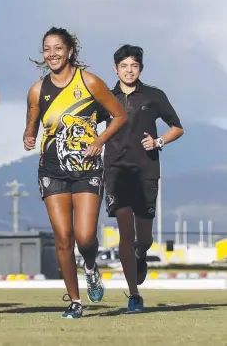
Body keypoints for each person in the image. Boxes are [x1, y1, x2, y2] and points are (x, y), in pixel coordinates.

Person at [23, 27, 127, 319]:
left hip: (87, 170)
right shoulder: (36, 90)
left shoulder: (90, 82)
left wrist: (99, 141)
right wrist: (28, 137)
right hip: (52, 170)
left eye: (58, 48)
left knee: (84, 238)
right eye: (47, 49)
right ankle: (75, 301)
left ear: (69, 51)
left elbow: (119, 116)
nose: (52, 54)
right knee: (64, 237)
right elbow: (30, 129)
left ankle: (91, 267)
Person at [101, 45, 183, 312]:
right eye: (123, 66)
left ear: (140, 68)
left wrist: (158, 141)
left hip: (146, 171)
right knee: (125, 232)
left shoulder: (153, 96)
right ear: (115, 69)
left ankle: (141, 254)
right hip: (115, 171)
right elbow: (88, 123)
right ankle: (133, 294)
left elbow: (177, 128)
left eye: (134, 66)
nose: (128, 71)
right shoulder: (105, 97)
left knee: (143, 237)